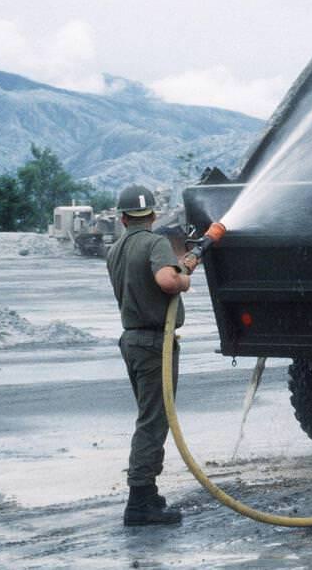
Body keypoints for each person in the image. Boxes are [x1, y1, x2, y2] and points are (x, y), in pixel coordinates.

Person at [106, 184, 197, 526]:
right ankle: (140, 501)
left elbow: (156, 277)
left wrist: (182, 266)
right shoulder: (156, 242)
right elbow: (167, 282)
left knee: (150, 415)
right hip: (154, 344)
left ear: (123, 217)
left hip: (132, 341)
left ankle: (147, 494)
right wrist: (183, 278)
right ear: (153, 215)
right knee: (153, 421)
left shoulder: (115, 249)